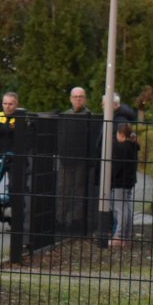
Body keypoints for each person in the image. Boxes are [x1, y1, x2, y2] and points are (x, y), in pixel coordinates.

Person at [56, 86, 96, 234]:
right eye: (75, 97)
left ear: (85, 99)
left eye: (80, 96)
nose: (78, 99)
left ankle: (76, 221)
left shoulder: (90, 116)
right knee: (63, 189)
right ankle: (60, 220)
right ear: (70, 99)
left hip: (81, 159)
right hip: (65, 158)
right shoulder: (65, 116)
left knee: (79, 191)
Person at [109, 120, 140, 246]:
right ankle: (126, 236)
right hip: (128, 180)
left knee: (120, 208)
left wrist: (111, 177)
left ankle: (119, 236)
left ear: (120, 133)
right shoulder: (132, 146)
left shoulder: (121, 147)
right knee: (126, 207)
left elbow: (117, 166)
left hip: (120, 181)